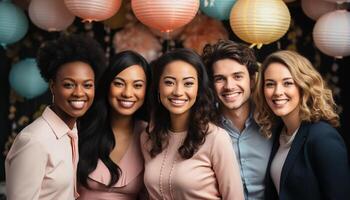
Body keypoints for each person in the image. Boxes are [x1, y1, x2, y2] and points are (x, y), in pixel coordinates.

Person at [5, 34, 105, 200]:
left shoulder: (71, 132)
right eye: (68, 84)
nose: (79, 93)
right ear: (52, 86)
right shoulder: (34, 140)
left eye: (87, 85)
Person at [141, 48, 244, 200]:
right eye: (169, 82)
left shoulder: (216, 138)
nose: (178, 91)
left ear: (198, 89)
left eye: (188, 83)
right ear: (158, 87)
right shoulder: (147, 137)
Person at [254, 50, 350, 199]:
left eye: (287, 83)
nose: (278, 92)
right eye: (270, 84)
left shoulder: (322, 137)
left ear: (303, 86)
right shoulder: (279, 133)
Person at [202, 40, 273, 199]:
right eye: (220, 78)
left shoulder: (274, 123)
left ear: (252, 80)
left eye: (237, 76)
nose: (229, 86)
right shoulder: (203, 129)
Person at [77, 50, 150, 200]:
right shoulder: (80, 127)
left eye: (137, 85)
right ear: (107, 85)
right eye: (119, 83)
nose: (127, 93)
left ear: (146, 90)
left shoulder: (150, 134)